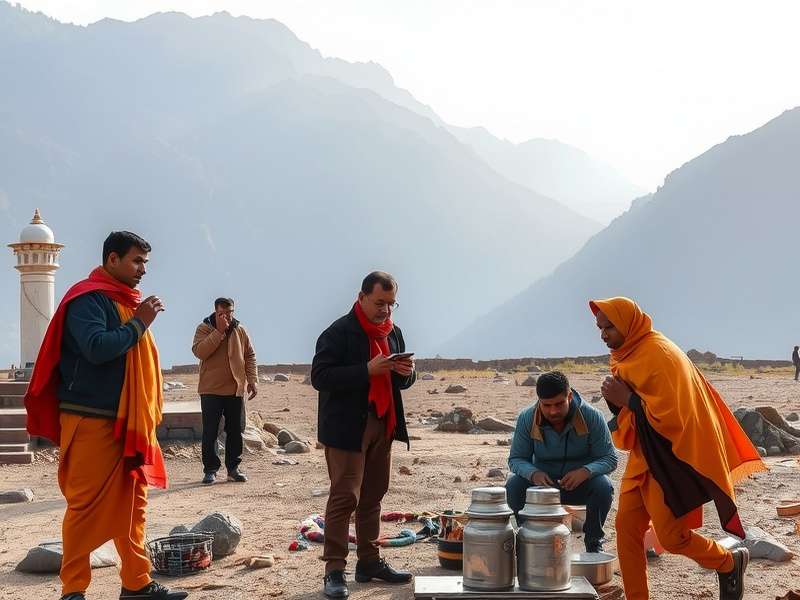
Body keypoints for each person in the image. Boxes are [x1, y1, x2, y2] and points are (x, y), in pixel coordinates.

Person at [25, 231, 187, 600]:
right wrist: (139, 323)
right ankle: (74, 590)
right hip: (90, 418)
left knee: (133, 503)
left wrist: (137, 320)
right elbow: (97, 348)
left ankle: (136, 583)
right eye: (136, 261)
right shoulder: (88, 300)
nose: (142, 269)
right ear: (111, 259)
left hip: (129, 422)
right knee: (85, 504)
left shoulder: (126, 301)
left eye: (145, 262)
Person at [591, 296, 765, 600]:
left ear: (628, 325)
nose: (604, 334)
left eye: (610, 327)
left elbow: (673, 417)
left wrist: (627, 400)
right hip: (645, 456)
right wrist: (620, 400)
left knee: (672, 538)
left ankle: (728, 561)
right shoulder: (626, 355)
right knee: (627, 529)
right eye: (600, 328)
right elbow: (633, 411)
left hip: (670, 457)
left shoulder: (659, 355)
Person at [311, 271, 416, 599]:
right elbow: (320, 376)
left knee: (373, 496)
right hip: (346, 427)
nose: (385, 309)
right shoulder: (339, 332)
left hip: (382, 423)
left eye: (391, 303)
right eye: (379, 302)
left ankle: (369, 562)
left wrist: (406, 375)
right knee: (345, 497)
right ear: (361, 297)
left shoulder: (393, 332)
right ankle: (334, 571)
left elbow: (400, 382)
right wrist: (366, 371)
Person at [506, 370, 617, 552]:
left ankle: (593, 542)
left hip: (580, 485)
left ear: (570, 396)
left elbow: (609, 458)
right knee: (514, 484)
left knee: (603, 486)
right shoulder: (527, 418)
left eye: (559, 404)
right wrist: (533, 474)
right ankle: (528, 539)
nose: (553, 411)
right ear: (539, 401)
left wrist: (585, 471)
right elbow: (516, 459)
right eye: (546, 405)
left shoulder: (592, 416)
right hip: (542, 488)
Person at [191, 297, 257, 484]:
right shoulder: (204, 328)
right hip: (210, 389)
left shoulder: (240, 329)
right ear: (215, 311)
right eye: (223, 313)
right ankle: (210, 470)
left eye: (230, 313)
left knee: (236, 430)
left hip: (235, 389)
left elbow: (249, 355)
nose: (227, 316)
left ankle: (233, 469)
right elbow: (199, 352)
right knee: (210, 431)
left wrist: (252, 380)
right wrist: (219, 331)